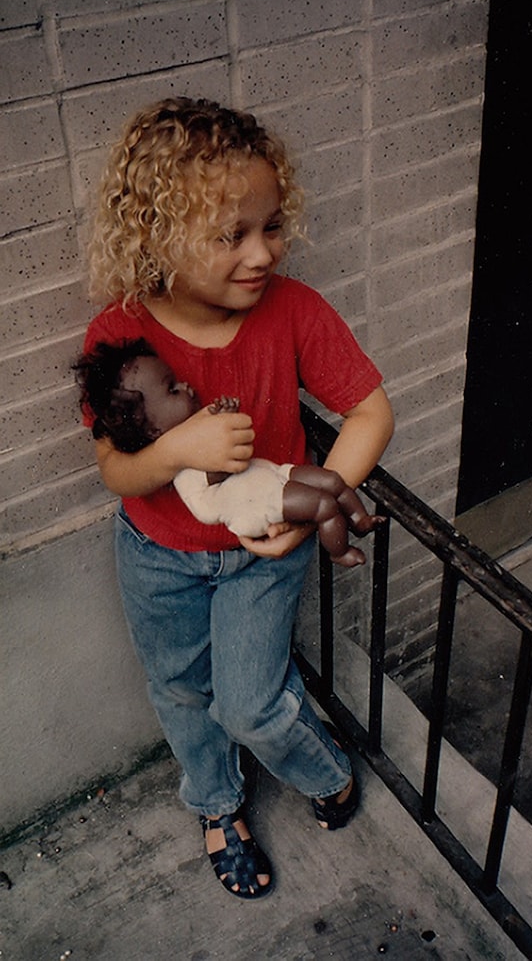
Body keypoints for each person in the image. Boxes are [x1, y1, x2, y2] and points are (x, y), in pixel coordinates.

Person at [80, 96, 394, 900]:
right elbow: (117, 470)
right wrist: (175, 451)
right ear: (156, 234)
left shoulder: (293, 310)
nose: (262, 252)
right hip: (158, 555)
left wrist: (309, 512)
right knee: (183, 691)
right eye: (231, 235)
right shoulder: (120, 334)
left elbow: (370, 412)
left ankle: (322, 770)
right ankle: (218, 806)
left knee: (251, 704)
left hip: (262, 555)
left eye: (272, 226)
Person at [74, 338, 386, 567]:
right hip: (255, 503)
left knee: (331, 481)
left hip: (268, 475)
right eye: (172, 389)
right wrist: (215, 442)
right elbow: (221, 471)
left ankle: (359, 519)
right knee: (323, 505)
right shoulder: (181, 471)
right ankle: (339, 552)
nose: (186, 386)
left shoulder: (194, 421)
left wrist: (224, 414)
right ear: (153, 430)